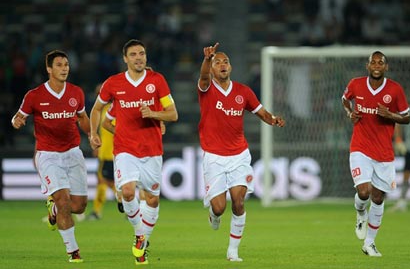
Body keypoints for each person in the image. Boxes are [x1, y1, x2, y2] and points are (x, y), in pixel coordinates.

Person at [89, 39, 178, 265]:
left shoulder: (157, 81)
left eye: (142, 53)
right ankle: (139, 235)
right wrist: (94, 133)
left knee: (152, 200)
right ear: (125, 59)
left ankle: (142, 244)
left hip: (152, 150)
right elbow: (99, 110)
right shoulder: (114, 83)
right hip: (126, 150)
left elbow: (173, 114)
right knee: (128, 192)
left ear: (146, 57)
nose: (139, 57)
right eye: (134, 54)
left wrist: (155, 115)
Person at [198, 43, 285, 262]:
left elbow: (261, 112)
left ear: (231, 67)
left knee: (239, 200)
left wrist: (273, 120)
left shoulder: (243, 91)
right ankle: (214, 215)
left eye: (225, 62)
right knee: (219, 208)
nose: (222, 65)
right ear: (212, 68)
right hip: (214, 156)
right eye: (217, 62)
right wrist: (206, 60)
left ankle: (233, 251)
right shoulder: (206, 87)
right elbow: (204, 77)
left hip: (239, 155)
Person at [11, 50, 90, 263]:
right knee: (64, 201)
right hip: (48, 155)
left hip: (73, 153)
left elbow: (82, 117)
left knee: (79, 206)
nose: (64, 68)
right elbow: (18, 116)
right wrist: (16, 121)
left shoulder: (76, 93)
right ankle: (73, 252)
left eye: (66, 64)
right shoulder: (34, 96)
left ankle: (53, 209)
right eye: (59, 65)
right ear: (49, 69)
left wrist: (91, 134)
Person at [342, 51, 410, 257]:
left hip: (384, 153)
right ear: (368, 66)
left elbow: (407, 118)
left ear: (386, 67)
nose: (377, 65)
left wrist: (389, 115)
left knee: (378, 198)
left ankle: (369, 244)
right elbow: (345, 99)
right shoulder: (356, 84)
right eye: (374, 62)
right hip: (360, 148)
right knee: (364, 192)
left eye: (381, 62)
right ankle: (361, 213)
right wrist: (350, 112)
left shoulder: (395, 89)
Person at [88, 84, 124, 220]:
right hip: (116, 152)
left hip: (108, 153)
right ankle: (128, 206)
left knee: (103, 181)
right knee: (110, 182)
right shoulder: (117, 108)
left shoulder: (106, 111)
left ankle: (98, 211)